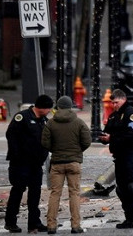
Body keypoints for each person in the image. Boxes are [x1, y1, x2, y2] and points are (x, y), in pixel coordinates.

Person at [41, 96, 91, 234]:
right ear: (70, 107)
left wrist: (55, 150)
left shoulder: (50, 123)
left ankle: (51, 225)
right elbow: (87, 140)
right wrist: (77, 151)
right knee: (74, 193)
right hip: (74, 163)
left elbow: (45, 142)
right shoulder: (79, 122)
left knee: (55, 194)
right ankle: (75, 225)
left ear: (58, 107)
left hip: (57, 163)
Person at [98, 89, 133, 229]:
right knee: (122, 189)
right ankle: (129, 217)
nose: (114, 105)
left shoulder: (131, 114)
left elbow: (131, 135)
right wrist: (103, 138)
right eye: (112, 103)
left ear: (123, 100)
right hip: (119, 157)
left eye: (116, 102)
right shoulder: (114, 116)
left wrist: (112, 138)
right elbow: (108, 132)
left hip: (131, 156)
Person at [4, 94, 54, 233]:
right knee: (17, 191)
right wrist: (18, 155)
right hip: (20, 164)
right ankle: (10, 222)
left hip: (36, 164)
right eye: (48, 108)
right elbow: (11, 136)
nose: (50, 110)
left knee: (35, 193)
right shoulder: (22, 117)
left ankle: (34, 222)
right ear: (41, 107)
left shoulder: (44, 120)